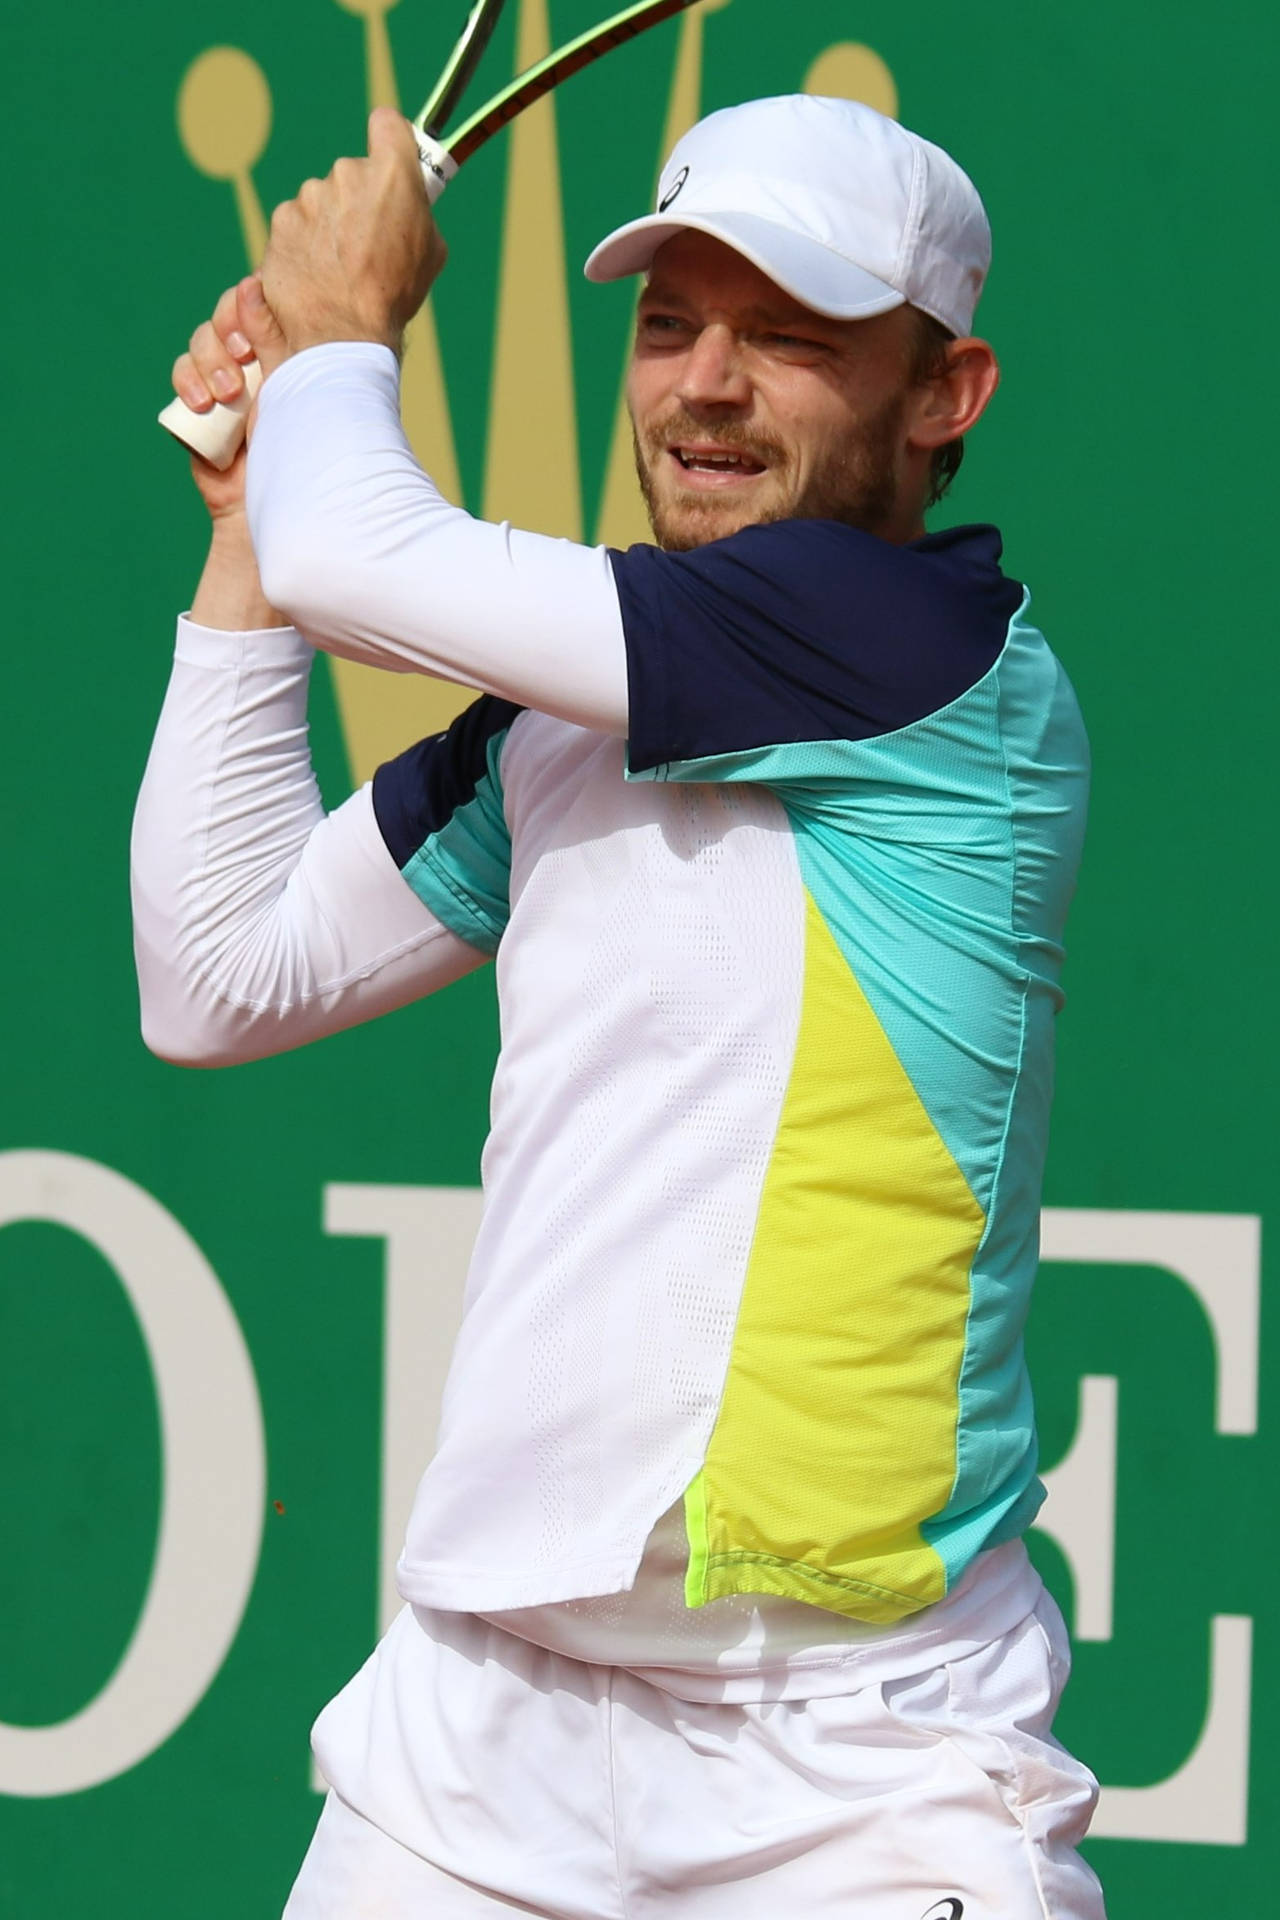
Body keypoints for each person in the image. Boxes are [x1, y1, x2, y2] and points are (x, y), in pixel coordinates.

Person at [133, 93, 1103, 1920]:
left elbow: (376, 555)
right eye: (670, 329)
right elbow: (218, 973)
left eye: (792, 339)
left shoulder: (923, 652)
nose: (705, 387)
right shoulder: (583, 715)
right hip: (475, 1744)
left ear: (944, 395)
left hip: (857, 1776)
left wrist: (348, 330)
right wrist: (252, 527)